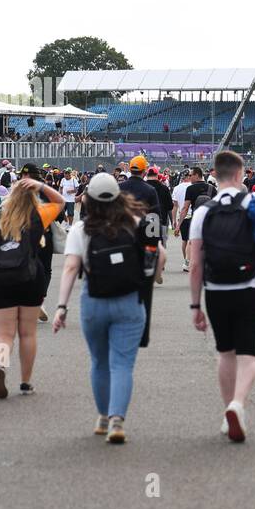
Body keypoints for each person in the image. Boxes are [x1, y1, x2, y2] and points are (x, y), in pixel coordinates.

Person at [52, 173, 157, 444]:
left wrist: (61, 307)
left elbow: (72, 268)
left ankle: (101, 415)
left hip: (94, 300)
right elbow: (155, 258)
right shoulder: (137, 223)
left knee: (99, 362)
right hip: (130, 301)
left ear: (89, 200)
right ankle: (116, 420)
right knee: (122, 365)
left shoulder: (81, 229)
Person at [189, 151, 255, 442]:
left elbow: (195, 263)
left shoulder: (204, 210)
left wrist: (195, 304)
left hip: (217, 289)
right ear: (240, 174)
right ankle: (238, 404)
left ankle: (227, 410)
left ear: (215, 175)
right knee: (249, 354)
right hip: (250, 286)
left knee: (226, 352)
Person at [0, 177, 65, 398]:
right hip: (29, 277)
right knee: (27, 333)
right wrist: (40, 186)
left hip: (1, 279)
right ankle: (25, 382)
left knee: (4, 333)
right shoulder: (37, 215)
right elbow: (60, 202)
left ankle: (1, 365)